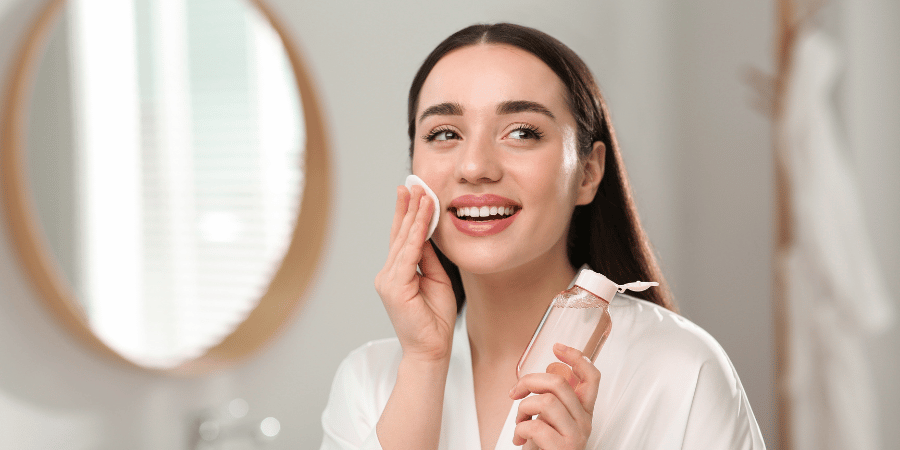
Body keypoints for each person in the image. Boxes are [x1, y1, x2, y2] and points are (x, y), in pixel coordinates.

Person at [320, 23, 765, 450]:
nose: (474, 166)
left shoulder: (681, 369)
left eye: (522, 132)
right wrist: (424, 363)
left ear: (588, 173)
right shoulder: (369, 380)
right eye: (445, 133)